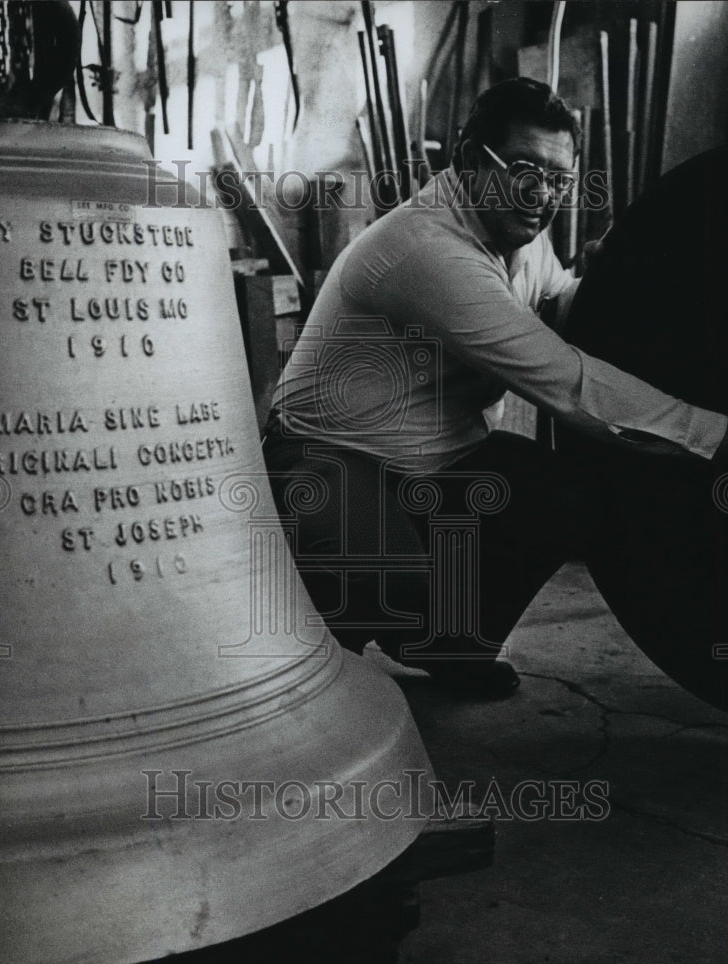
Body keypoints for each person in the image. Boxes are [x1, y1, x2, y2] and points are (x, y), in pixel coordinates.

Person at [262, 78, 728, 699]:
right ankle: (310, 673)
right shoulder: (427, 248)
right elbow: (564, 381)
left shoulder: (517, 238)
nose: (542, 195)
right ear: (466, 158)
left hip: (441, 465)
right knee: (394, 579)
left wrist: (618, 276)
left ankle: (449, 648)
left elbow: (566, 308)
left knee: (569, 493)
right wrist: (715, 436)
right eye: (523, 169)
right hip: (329, 461)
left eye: (559, 179)